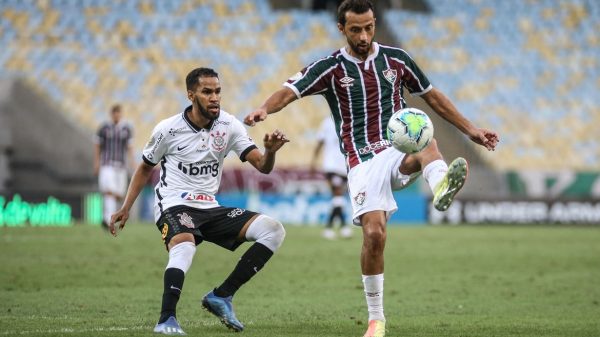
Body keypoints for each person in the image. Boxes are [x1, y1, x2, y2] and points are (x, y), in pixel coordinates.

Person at [243, 1, 499, 336]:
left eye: (368, 27)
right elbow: (290, 90)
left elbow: (433, 96)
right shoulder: (330, 67)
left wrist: (472, 130)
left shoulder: (397, 59)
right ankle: (376, 318)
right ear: (341, 29)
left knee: (423, 133)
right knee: (374, 235)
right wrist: (264, 109)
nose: (363, 36)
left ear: (374, 23)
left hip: (397, 148)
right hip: (361, 161)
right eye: (355, 30)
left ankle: (440, 187)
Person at [109, 67, 289, 335]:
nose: (214, 97)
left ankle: (222, 296)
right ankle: (166, 319)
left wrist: (270, 152)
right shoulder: (168, 129)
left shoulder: (229, 126)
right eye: (207, 92)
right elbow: (145, 167)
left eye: (217, 91)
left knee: (273, 230)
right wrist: (126, 207)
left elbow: (262, 166)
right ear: (191, 95)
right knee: (184, 245)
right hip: (174, 203)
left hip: (209, 206)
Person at [310, 116, 352, 239]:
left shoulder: (348, 120)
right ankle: (333, 228)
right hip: (331, 165)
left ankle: (341, 226)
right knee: (338, 194)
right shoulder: (327, 123)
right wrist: (313, 161)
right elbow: (320, 142)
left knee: (338, 198)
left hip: (344, 166)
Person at [94, 104, 133, 230]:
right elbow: (97, 146)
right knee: (109, 191)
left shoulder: (126, 129)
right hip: (107, 164)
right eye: (114, 113)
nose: (116, 115)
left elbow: (129, 147)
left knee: (119, 194)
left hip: (121, 166)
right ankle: (107, 219)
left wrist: (132, 163)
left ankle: (111, 216)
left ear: (121, 114)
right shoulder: (104, 128)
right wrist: (96, 162)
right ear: (111, 114)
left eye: (118, 113)